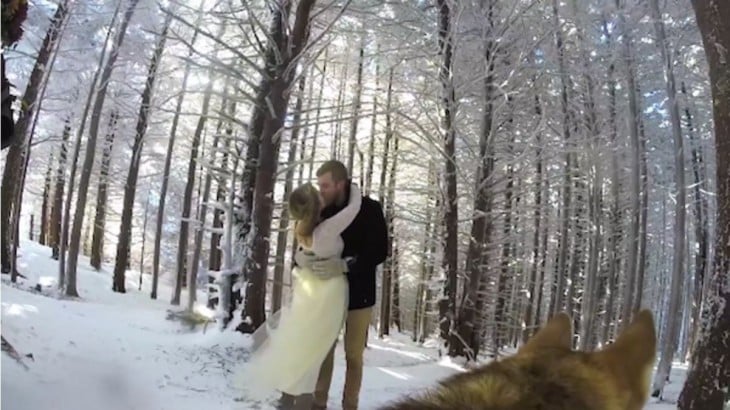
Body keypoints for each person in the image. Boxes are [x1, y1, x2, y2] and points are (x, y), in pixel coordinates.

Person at [237, 181, 362, 410]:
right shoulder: (326, 229)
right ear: (317, 205)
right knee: (313, 355)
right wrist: (352, 187)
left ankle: (286, 399)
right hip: (326, 294)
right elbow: (353, 209)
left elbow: (302, 252)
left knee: (300, 344)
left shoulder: (302, 227)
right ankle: (300, 403)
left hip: (306, 291)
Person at [299, 160, 389, 410]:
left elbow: (380, 251)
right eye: (320, 185)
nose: (321, 190)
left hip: (360, 295)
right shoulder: (320, 210)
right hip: (326, 294)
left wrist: (345, 265)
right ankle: (319, 403)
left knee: (353, 356)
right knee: (324, 350)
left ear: (341, 183)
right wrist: (300, 259)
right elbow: (306, 242)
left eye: (326, 185)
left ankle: (350, 405)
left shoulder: (370, 209)